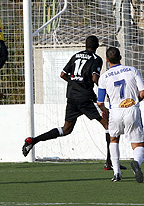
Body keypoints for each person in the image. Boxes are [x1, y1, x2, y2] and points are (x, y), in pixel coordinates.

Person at [22, 35, 117, 170]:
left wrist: (74, 83)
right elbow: (95, 77)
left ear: (85, 45)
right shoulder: (96, 59)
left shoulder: (76, 55)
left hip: (72, 97)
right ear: (96, 46)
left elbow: (62, 74)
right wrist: (104, 89)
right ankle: (110, 162)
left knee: (66, 129)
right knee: (108, 125)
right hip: (86, 98)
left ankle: (33, 140)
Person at [97, 47, 144, 183]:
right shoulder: (132, 70)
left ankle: (116, 173)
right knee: (138, 144)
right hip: (132, 109)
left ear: (107, 60)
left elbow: (100, 102)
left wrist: (105, 110)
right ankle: (136, 162)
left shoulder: (104, 77)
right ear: (120, 57)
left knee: (113, 139)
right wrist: (135, 101)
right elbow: (143, 92)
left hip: (115, 111)